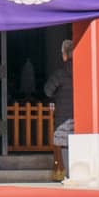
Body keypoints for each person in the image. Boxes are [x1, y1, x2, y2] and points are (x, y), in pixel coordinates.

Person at [42, 37, 74, 182]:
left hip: (64, 116)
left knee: (65, 144)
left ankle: (69, 175)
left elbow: (48, 90)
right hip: (83, 115)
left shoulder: (60, 74)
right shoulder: (85, 69)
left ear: (64, 54)